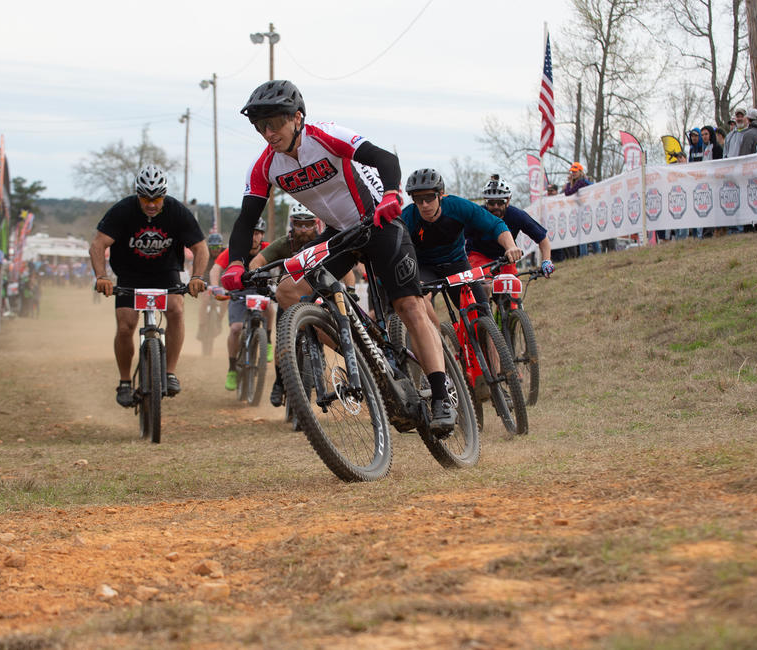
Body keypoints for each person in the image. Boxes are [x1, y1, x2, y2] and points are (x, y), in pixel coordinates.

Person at [221, 79, 456, 435]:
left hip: (378, 223)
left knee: (410, 306)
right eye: (260, 126)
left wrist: (392, 193)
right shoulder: (266, 166)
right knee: (288, 291)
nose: (268, 133)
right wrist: (237, 262)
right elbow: (246, 219)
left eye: (275, 123)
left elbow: (384, 158)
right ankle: (367, 363)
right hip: (338, 235)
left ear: (297, 117)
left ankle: (442, 394)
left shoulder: (325, 135)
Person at [90, 164, 209, 407]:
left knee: (176, 310)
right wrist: (101, 277)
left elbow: (200, 247)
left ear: (164, 195)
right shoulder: (123, 210)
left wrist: (197, 276)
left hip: (165, 273)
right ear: (138, 194)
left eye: (157, 198)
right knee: (126, 326)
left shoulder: (176, 211)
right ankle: (124, 382)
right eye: (145, 198)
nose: (152, 204)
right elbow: (98, 244)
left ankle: (170, 372)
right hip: (129, 274)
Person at [399, 169, 523, 329]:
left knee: (484, 313)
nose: (424, 205)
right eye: (418, 199)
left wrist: (510, 246)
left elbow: (495, 224)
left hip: (456, 263)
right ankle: (438, 342)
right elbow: (394, 249)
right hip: (425, 267)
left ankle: (494, 354)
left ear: (441, 194)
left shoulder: (457, 206)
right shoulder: (408, 217)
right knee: (420, 298)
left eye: (429, 197)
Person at [247, 201, 321, 407]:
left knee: (324, 332)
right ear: (292, 224)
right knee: (283, 344)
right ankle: (279, 382)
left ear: (316, 224)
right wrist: (257, 274)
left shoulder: (323, 242)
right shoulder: (283, 244)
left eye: (308, 224)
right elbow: (258, 261)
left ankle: (319, 360)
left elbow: (347, 270)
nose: (304, 229)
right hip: (287, 301)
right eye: (299, 224)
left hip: (317, 297)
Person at [208, 218, 269, 391]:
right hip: (238, 293)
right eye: (251, 233)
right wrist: (215, 287)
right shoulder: (235, 249)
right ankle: (232, 368)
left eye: (257, 233)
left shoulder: (267, 248)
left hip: (260, 292)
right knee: (235, 328)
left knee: (271, 308)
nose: (254, 237)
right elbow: (215, 269)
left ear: (262, 235)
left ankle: (268, 342)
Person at [466, 174, 553, 279]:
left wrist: (546, 261)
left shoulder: (517, 215)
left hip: (505, 258)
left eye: (500, 202)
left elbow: (542, 239)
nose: (496, 207)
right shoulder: (477, 215)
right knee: (485, 285)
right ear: (485, 201)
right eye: (491, 203)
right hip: (479, 255)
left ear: (508, 200)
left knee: (511, 287)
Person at [196, 231, 227, 356]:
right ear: (209, 246)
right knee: (204, 299)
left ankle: (219, 319)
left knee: (226, 299)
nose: (215, 250)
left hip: (222, 284)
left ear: (221, 246)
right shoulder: (205, 254)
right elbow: (199, 270)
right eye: (212, 247)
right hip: (208, 284)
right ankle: (202, 325)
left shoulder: (226, 253)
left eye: (217, 247)